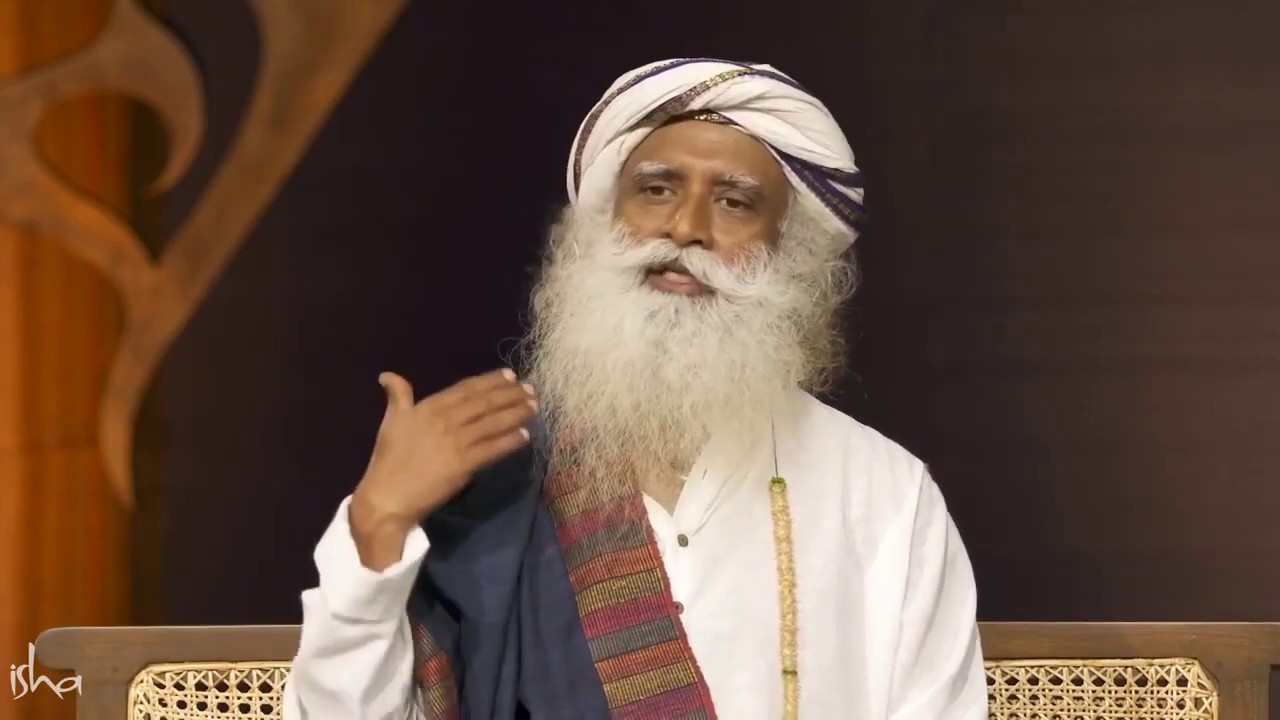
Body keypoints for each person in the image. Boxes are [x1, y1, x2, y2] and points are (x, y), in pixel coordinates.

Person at [281, 58, 987, 719]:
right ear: (605, 221)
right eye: (656, 190)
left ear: (788, 253)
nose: (685, 228)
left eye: (735, 203)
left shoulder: (883, 493)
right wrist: (379, 522)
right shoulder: (487, 465)